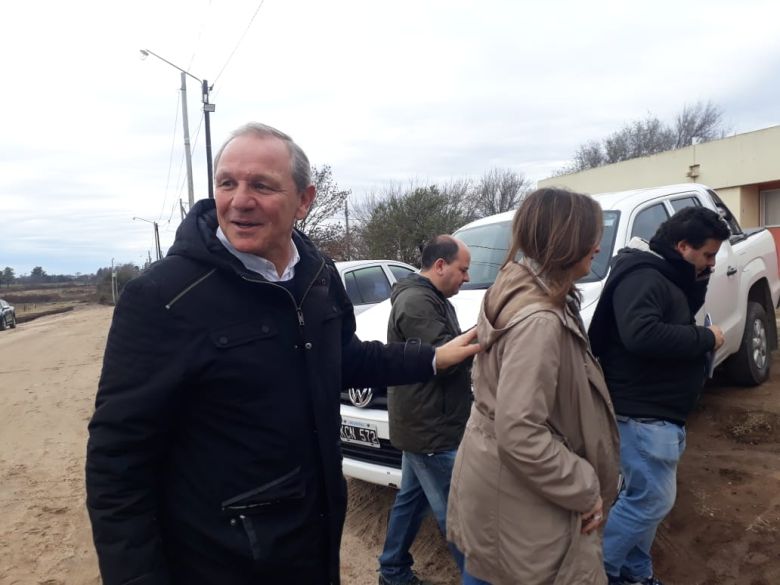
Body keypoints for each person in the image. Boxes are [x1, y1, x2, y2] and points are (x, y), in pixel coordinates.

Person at [85, 122, 479, 585]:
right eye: (227, 183)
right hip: (220, 561)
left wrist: (433, 357)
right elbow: (117, 464)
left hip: (312, 543)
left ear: (304, 200)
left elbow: (344, 358)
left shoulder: (316, 276)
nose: (239, 199)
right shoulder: (164, 297)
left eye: (262, 185)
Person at [447, 187, 620, 585]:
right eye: (591, 235)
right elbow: (520, 431)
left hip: (502, 486)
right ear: (567, 239)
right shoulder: (539, 319)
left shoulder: (516, 286)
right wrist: (584, 486)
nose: (597, 246)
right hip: (519, 498)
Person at [588, 206, 729, 585]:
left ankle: (635, 575)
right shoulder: (644, 277)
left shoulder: (666, 274)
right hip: (642, 414)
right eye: (707, 255)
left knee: (644, 503)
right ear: (682, 245)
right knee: (650, 502)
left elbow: (673, 314)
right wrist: (707, 338)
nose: (712, 263)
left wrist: (696, 276)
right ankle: (595, 573)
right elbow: (642, 334)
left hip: (659, 412)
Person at [378, 235, 473, 585]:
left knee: (411, 500)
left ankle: (392, 570)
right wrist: (488, 333)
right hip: (431, 427)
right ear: (440, 266)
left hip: (427, 421)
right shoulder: (418, 302)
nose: (466, 277)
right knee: (460, 514)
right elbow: (442, 357)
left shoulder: (434, 297)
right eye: (462, 270)